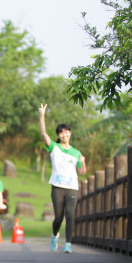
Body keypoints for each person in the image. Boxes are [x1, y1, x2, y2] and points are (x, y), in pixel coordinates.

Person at [38, 103, 86, 253]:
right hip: (58, 186)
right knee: (58, 217)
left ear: (70, 133)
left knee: (70, 215)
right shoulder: (54, 148)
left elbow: (81, 172)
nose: (64, 135)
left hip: (72, 187)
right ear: (58, 135)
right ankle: (55, 235)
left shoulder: (76, 152)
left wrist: (83, 163)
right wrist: (42, 116)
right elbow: (43, 135)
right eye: (61, 133)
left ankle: (68, 244)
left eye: (66, 132)